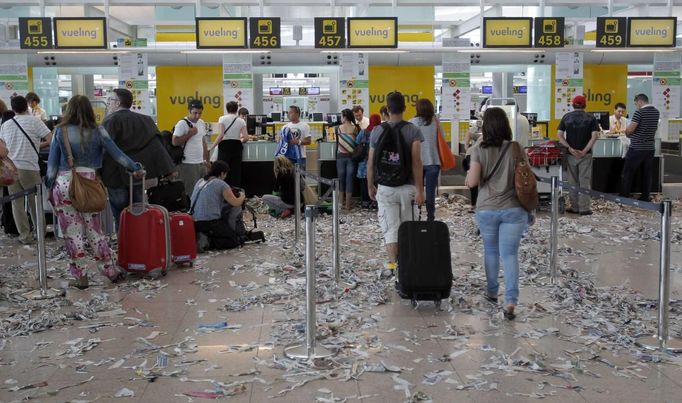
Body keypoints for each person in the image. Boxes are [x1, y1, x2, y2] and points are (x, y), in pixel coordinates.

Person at [45, 95, 144, 289]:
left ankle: (81, 276)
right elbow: (117, 154)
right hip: (89, 183)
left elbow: (52, 165)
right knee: (95, 230)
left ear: (69, 111)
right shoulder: (99, 131)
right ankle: (110, 270)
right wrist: (134, 168)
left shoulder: (60, 132)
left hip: (65, 183)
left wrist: (50, 186)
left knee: (73, 232)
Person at [465, 107, 529, 321]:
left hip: (487, 209)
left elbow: (472, 182)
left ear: (485, 126)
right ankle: (511, 301)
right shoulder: (516, 148)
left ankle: (492, 292)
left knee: (491, 251)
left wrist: (468, 178)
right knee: (510, 255)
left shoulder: (478, 149)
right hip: (514, 208)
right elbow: (526, 181)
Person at [367, 91, 425, 271]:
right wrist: (420, 190)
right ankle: (408, 267)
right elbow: (416, 162)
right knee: (408, 229)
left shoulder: (377, 131)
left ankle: (394, 267)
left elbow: (370, 162)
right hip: (408, 188)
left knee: (391, 230)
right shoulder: (413, 130)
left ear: (388, 109)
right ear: (405, 108)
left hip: (386, 188)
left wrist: (370, 185)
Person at [101, 88, 175, 228]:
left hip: (115, 176)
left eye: (110, 100)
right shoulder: (146, 120)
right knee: (139, 212)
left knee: (121, 216)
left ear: (117, 103)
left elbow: (105, 149)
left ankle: (124, 244)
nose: (108, 103)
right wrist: (168, 169)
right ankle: (141, 242)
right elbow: (158, 146)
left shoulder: (110, 121)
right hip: (139, 176)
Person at [0, 96, 52, 244]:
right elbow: (50, 139)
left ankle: (24, 236)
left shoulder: (6, 125)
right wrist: (37, 146)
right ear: (27, 106)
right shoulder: (35, 121)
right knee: (34, 203)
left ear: (13, 109)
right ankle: (40, 233)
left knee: (16, 203)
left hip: (11, 169)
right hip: (30, 168)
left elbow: (2, 148)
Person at [557, 95, 599, 215]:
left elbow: (559, 135)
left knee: (572, 181)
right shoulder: (591, 118)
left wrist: (569, 148)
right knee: (584, 181)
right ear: (585, 105)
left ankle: (574, 207)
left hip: (571, 154)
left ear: (573, 105)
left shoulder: (566, 117)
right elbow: (595, 136)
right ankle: (584, 208)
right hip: (585, 155)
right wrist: (584, 150)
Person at [190, 160, 245, 251]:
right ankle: (207, 242)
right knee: (233, 240)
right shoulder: (221, 184)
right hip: (209, 222)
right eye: (225, 174)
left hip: (194, 221)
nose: (225, 177)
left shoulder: (200, 181)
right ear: (222, 173)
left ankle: (203, 236)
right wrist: (242, 196)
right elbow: (236, 203)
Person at [409, 99, 444, 221]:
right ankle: (430, 218)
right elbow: (442, 140)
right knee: (430, 193)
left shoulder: (412, 123)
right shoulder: (436, 122)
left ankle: (417, 216)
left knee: (417, 191)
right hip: (433, 161)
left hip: (416, 162)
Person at [622, 94, 660, 201]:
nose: (636, 106)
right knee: (647, 174)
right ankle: (645, 196)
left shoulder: (639, 112)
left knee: (628, 172)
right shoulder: (656, 112)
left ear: (639, 101)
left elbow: (630, 130)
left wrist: (627, 133)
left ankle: (625, 195)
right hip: (650, 148)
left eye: (635, 104)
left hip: (637, 148)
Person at [172, 100, 209, 196]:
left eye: (200, 113)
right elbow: (175, 141)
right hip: (187, 163)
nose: (197, 116)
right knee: (189, 192)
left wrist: (206, 160)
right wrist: (189, 134)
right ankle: (189, 210)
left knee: (202, 191)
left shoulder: (201, 123)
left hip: (201, 163)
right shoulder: (182, 124)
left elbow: (203, 142)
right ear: (189, 111)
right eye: (195, 113)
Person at [212, 101, 250, 187]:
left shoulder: (222, 118)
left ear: (227, 109)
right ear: (237, 110)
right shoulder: (241, 121)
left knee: (222, 170)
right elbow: (246, 137)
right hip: (237, 146)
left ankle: (222, 192)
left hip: (224, 146)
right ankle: (235, 193)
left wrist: (211, 147)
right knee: (236, 172)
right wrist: (240, 141)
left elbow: (221, 135)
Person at [336, 109, 360, 210]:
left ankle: (341, 203)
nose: (340, 118)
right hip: (352, 157)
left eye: (341, 116)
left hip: (340, 156)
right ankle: (347, 205)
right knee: (350, 180)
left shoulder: (339, 128)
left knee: (341, 180)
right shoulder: (355, 128)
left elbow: (337, 142)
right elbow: (357, 142)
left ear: (344, 116)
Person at [357, 114, 380, 209]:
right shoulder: (381, 131)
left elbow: (357, 142)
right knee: (376, 181)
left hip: (364, 160)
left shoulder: (364, 132)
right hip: (377, 160)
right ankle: (375, 202)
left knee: (364, 181)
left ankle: (365, 202)